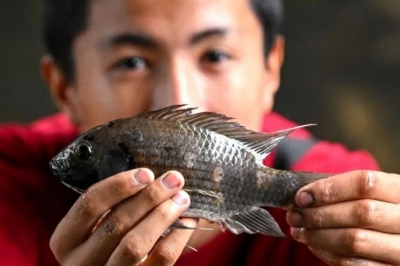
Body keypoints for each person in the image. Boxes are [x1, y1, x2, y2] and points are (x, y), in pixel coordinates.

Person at [0, 0, 399, 265]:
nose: (179, 95)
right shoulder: (9, 183)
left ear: (271, 69)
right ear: (63, 87)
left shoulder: (343, 199)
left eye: (215, 55)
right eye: (132, 61)